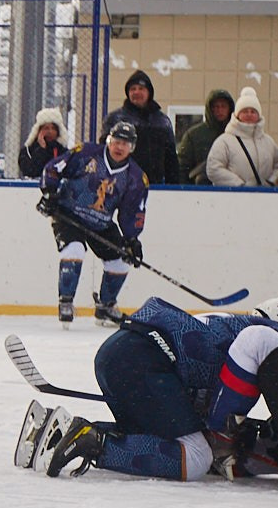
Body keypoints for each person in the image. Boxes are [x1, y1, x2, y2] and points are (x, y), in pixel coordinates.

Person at [19, 298, 278, 492]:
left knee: (155, 440)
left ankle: (56, 432)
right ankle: (93, 443)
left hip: (122, 351)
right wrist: (222, 427)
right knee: (196, 457)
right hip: (146, 360)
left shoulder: (230, 323)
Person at [39, 117, 147, 326]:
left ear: (132, 148)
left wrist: (132, 239)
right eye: (116, 141)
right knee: (74, 250)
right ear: (108, 140)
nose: (119, 147)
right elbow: (53, 168)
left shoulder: (135, 177)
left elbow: (133, 210)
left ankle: (106, 306)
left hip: (101, 223)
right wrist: (50, 193)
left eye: (125, 143)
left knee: (121, 260)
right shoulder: (86, 153)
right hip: (69, 214)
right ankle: (66, 302)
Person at [108, 70, 181, 186]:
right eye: (133, 89)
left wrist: (174, 186)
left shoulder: (163, 121)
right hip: (122, 185)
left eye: (141, 88)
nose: (136, 92)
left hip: (155, 185)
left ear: (149, 92)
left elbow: (171, 159)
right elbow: (105, 153)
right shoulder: (115, 119)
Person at [205, 87, 278, 188]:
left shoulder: (269, 142)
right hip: (232, 199)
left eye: (253, 111)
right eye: (245, 111)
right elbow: (213, 169)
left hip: (265, 199)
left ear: (258, 115)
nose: (249, 114)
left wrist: (270, 183)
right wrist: (239, 185)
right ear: (237, 115)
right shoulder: (224, 141)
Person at [176, 89, 235, 187]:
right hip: (199, 190)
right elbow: (182, 168)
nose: (220, 110)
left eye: (223, 106)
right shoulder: (193, 135)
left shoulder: (237, 135)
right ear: (210, 109)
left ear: (230, 109)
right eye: (216, 107)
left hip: (233, 190)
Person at [17, 108, 68, 180]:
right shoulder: (28, 151)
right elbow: (30, 171)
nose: (50, 131)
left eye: (53, 128)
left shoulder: (64, 152)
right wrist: (41, 149)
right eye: (46, 128)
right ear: (38, 131)